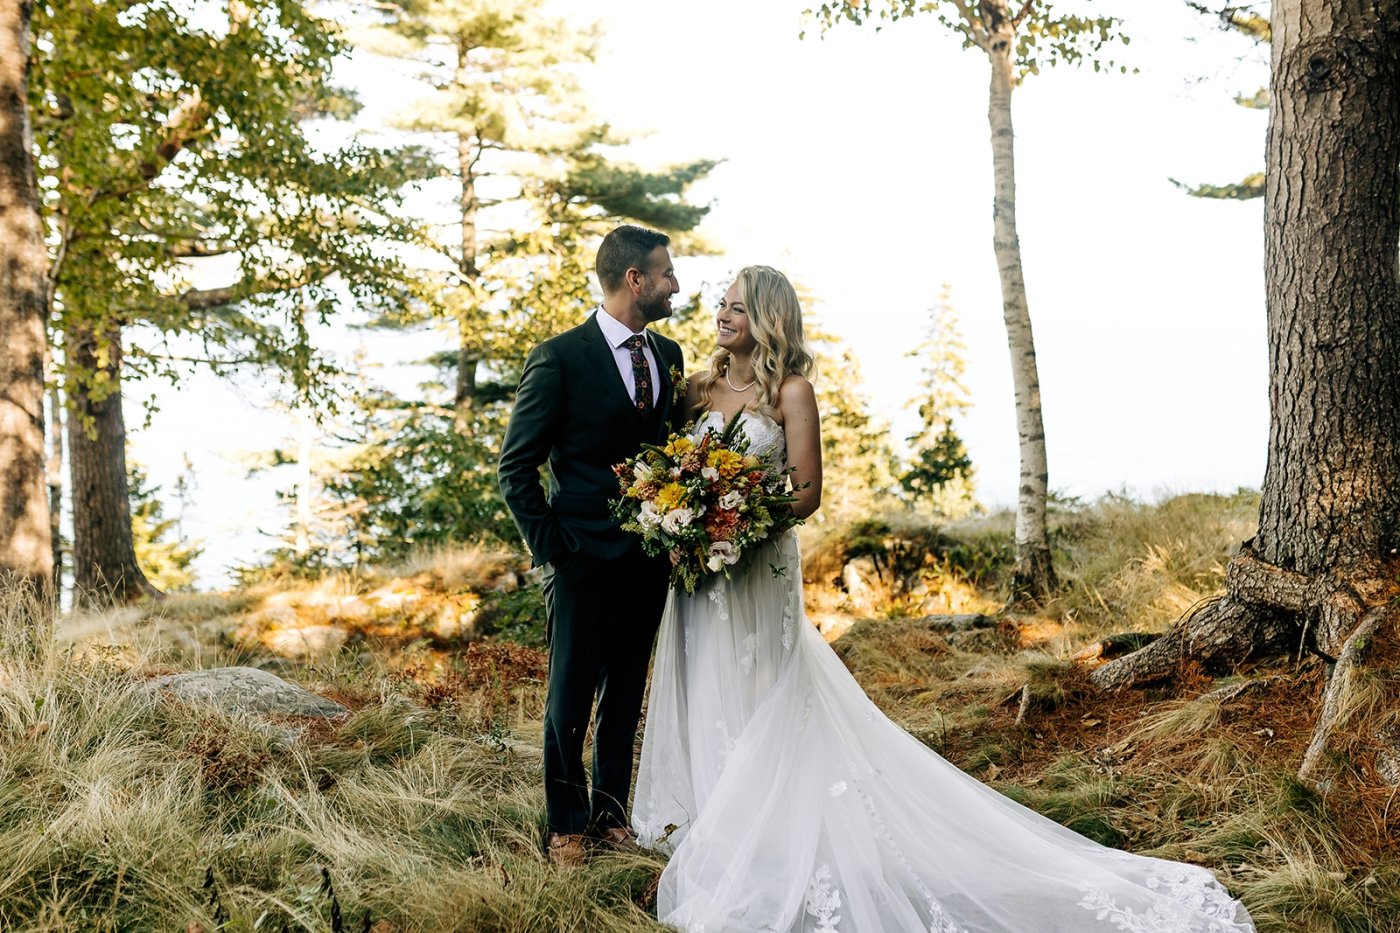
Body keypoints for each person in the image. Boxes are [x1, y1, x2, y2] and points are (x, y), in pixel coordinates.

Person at [632, 265, 1256, 932]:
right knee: (707, 683)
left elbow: (806, 491)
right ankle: (717, 825)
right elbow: (673, 470)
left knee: (762, 694)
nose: (720, 316)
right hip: (701, 573)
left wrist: (734, 510)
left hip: (758, 572)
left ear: (765, 319)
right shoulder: (697, 388)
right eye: (720, 306)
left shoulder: (791, 390)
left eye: (734, 308)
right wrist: (686, 516)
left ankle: (770, 831)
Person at [498, 224, 685, 868]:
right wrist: (553, 550)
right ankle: (566, 825)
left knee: (627, 692)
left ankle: (610, 817)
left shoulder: (670, 355)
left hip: (648, 557)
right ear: (635, 280)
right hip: (577, 557)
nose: (675, 285)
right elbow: (515, 468)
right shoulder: (558, 358)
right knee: (569, 695)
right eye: (666, 274)